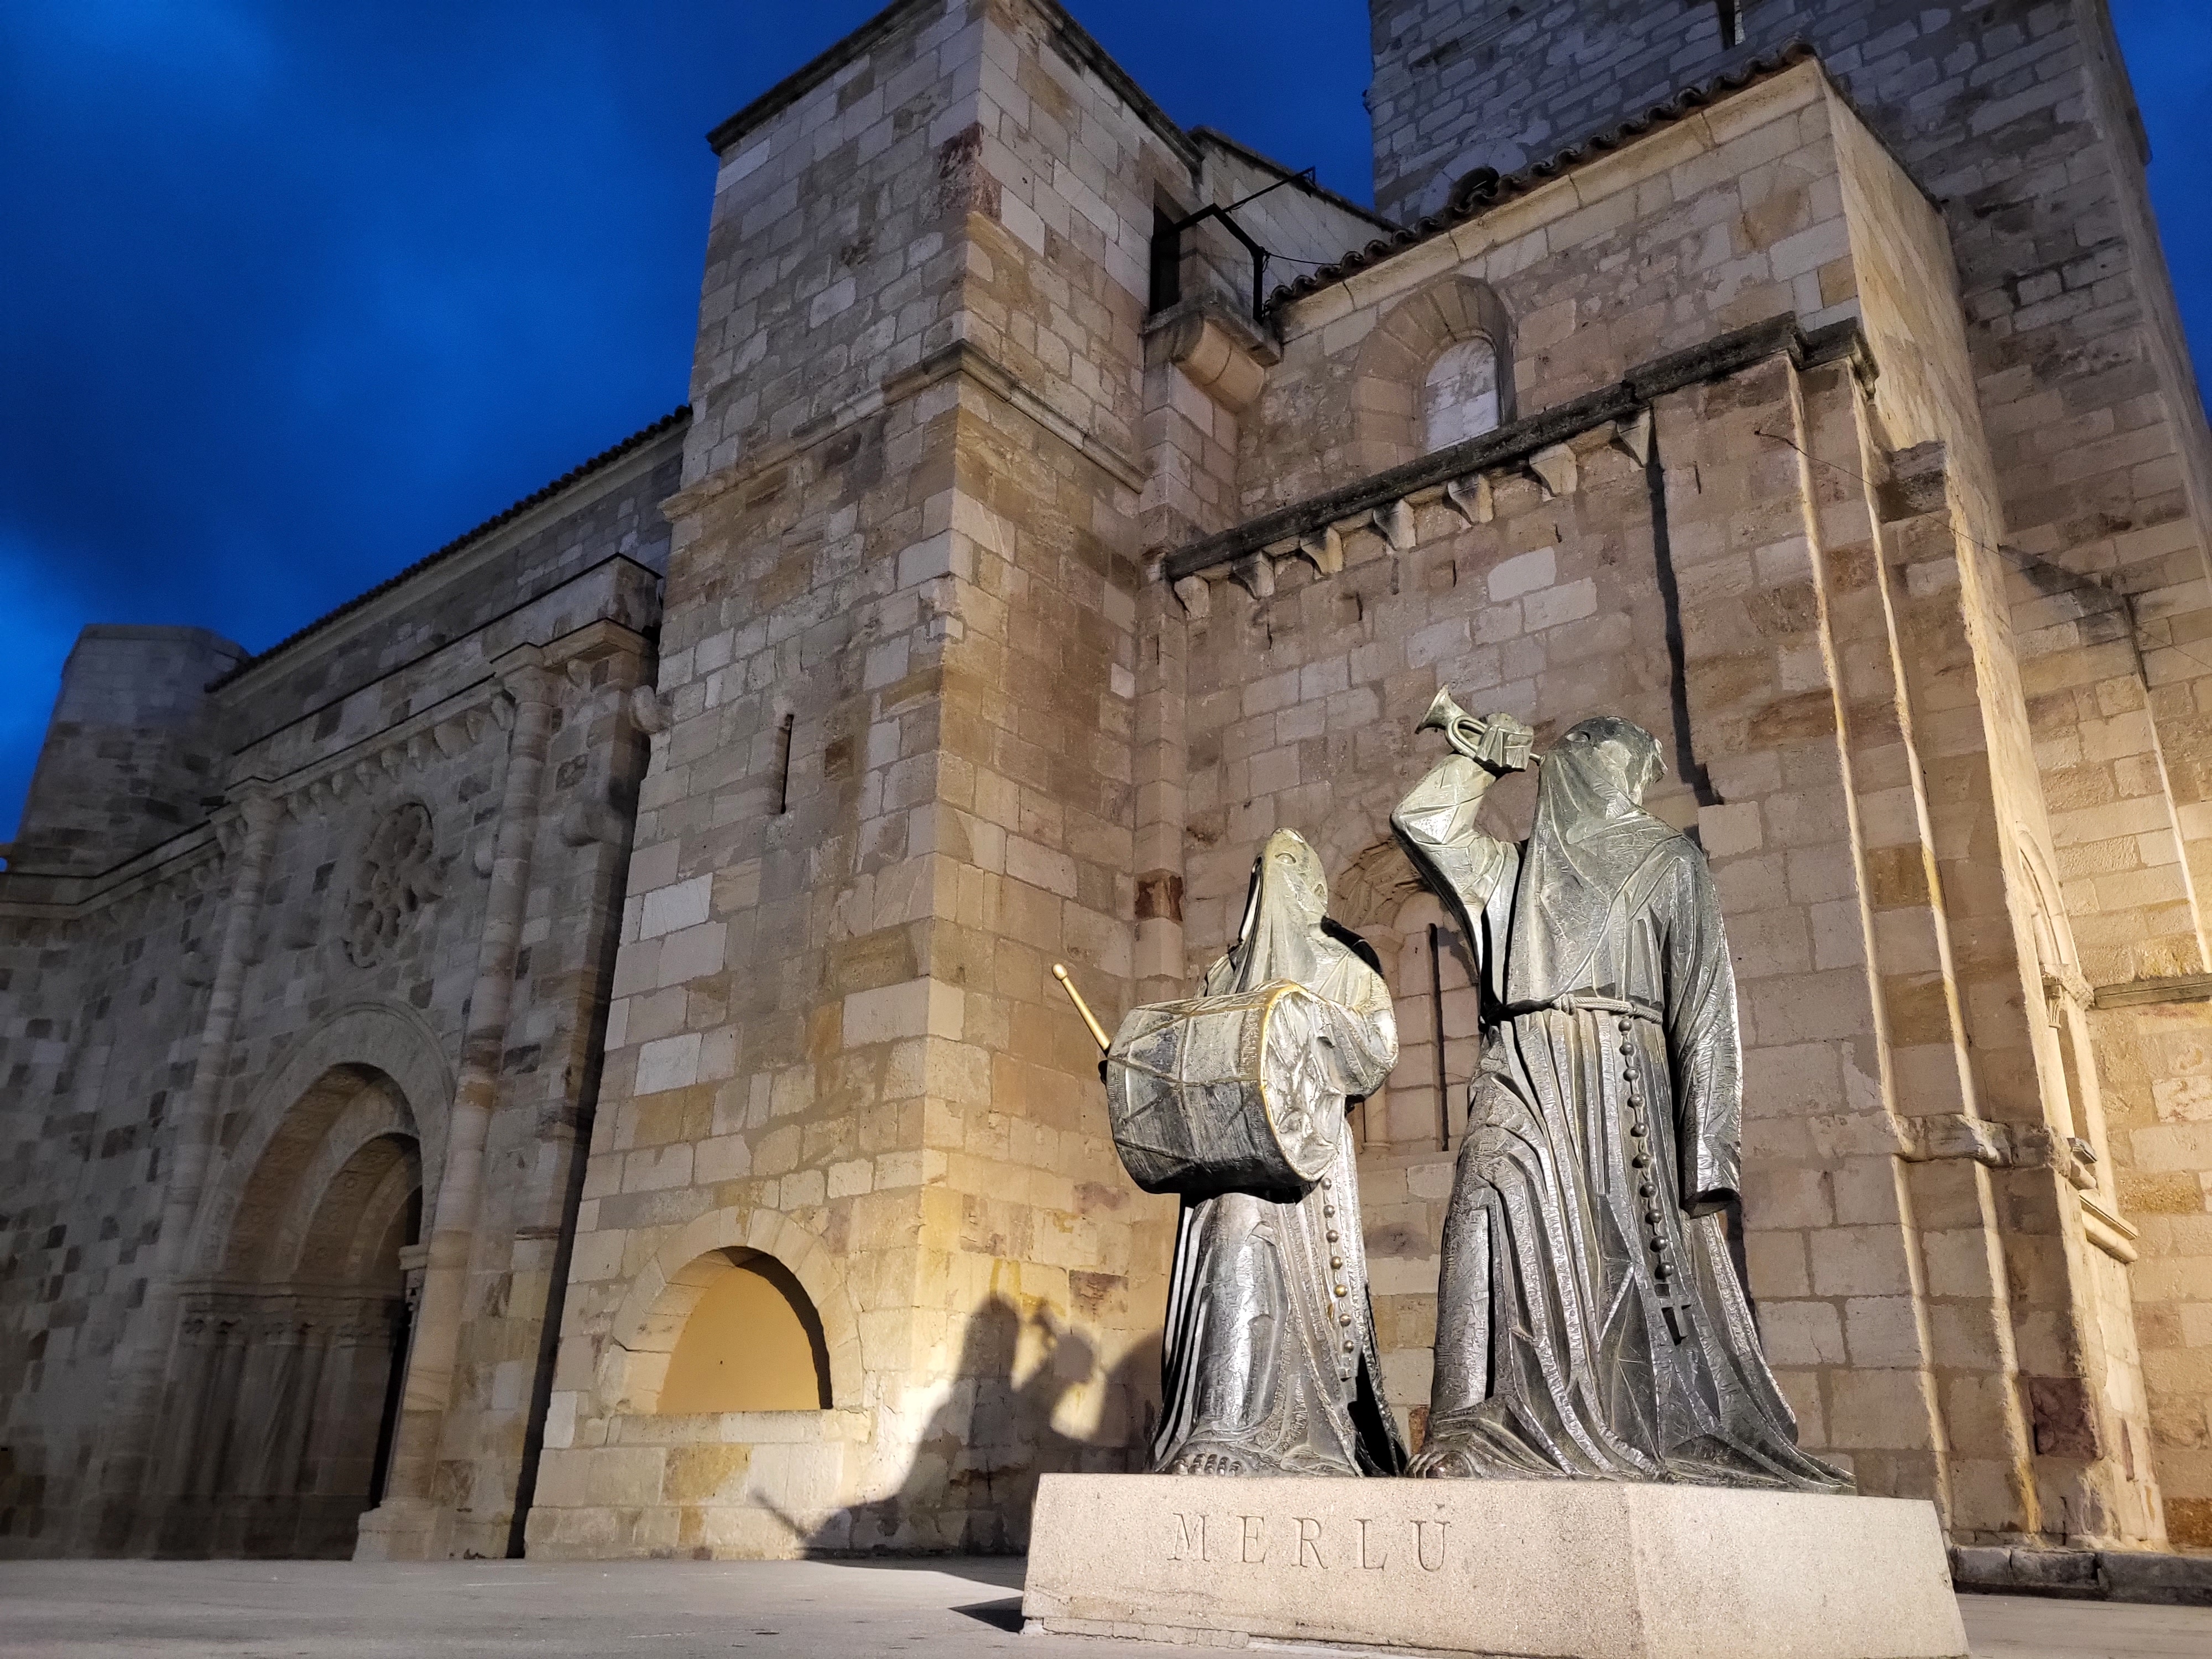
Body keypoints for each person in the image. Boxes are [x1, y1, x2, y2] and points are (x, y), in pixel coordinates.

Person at [1390, 707, 1849, 1491]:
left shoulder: (1669, 862)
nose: (1634, 787)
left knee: (1618, 1268)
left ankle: (1620, 1424)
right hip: (1522, 1066)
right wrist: (1477, 762)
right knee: (1485, 1209)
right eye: (1632, 769)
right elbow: (1422, 824)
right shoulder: (1514, 873)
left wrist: (1709, 1154)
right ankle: (1474, 1422)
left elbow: (1704, 1006)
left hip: (1622, 1079)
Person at [1140, 829, 1406, 1477]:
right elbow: (1190, 1055)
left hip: (1301, 1166)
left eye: (1291, 868)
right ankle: (1221, 1420)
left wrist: (1312, 1018)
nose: (1275, 880)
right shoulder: (1222, 974)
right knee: (1228, 1237)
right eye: (1265, 868)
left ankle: (1257, 1430)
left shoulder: (1344, 969)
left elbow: (1378, 1050)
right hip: (1225, 1158)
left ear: (1316, 890)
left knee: (1258, 1243)